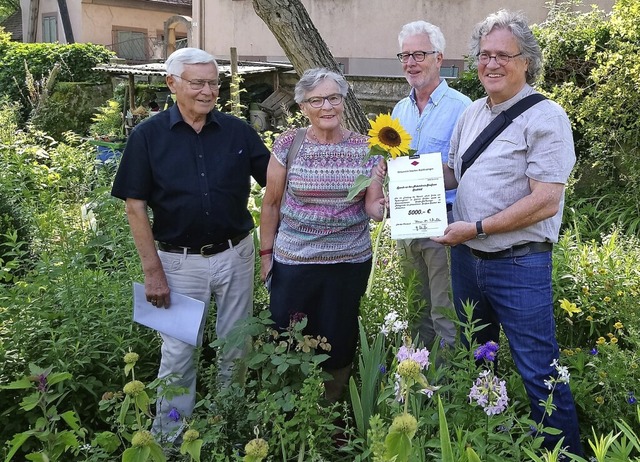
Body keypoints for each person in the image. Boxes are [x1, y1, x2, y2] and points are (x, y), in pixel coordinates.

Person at [432, 10, 583, 456]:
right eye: (484, 55)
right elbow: (454, 173)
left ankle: (563, 453)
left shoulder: (547, 117)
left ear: (526, 62)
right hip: (467, 260)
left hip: (519, 262)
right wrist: (401, 186)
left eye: (503, 55)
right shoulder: (473, 112)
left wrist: (475, 227)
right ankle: (491, 442)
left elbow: (545, 200)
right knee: (480, 358)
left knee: (539, 369)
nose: (491, 64)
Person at [111, 47, 270, 443]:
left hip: (236, 255)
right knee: (179, 355)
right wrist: (153, 272)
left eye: (213, 83)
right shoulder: (148, 136)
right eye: (197, 82)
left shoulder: (237, 131)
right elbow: (135, 206)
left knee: (236, 348)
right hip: (177, 264)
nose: (207, 91)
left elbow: (277, 184)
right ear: (172, 83)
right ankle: (167, 440)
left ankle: (226, 430)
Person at [259, 68, 385, 402]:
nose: (326, 106)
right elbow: (270, 204)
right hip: (295, 261)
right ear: (303, 107)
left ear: (344, 101)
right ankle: (289, 408)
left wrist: (391, 206)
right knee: (284, 337)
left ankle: (331, 411)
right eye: (316, 100)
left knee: (340, 338)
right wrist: (266, 256)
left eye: (333, 97)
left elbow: (373, 207)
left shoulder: (366, 148)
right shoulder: (289, 143)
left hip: (348, 262)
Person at [392, 21, 471, 348]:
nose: (411, 62)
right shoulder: (398, 111)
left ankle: (447, 387)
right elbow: (392, 161)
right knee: (416, 307)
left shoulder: (463, 109)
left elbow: (468, 171)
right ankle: (418, 381)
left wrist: (423, 174)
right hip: (408, 223)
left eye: (419, 54)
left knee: (444, 308)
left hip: (445, 223)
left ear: (439, 58)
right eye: (405, 55)